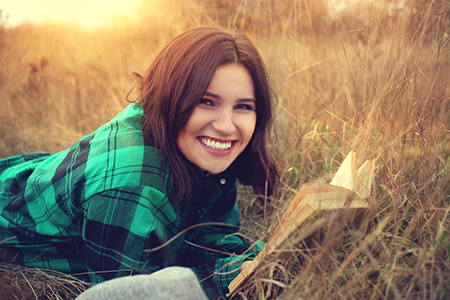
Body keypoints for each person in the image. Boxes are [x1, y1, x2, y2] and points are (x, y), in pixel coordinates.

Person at [0, 26, 278, 299]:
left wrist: (260, 261)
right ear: (170, 97)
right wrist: (225, 280)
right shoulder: (132, 184)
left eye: (243, 106)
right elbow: (125, 293)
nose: (227, 126)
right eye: (206, 101)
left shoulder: (197, 145)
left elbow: (210, 236)